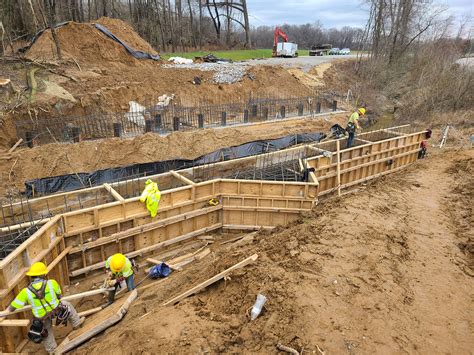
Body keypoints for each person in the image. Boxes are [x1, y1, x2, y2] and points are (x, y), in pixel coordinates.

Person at [0, 262, 83, 354]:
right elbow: (59, 296)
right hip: (57, 311)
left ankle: (52, 350)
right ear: (43, 274)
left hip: (41, 318)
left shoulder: (25, 292)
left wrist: (2, 313)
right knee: (67, 304)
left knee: (46, 330)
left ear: (31, 276)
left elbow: (11, 308)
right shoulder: (52, 283)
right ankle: (77, 325)